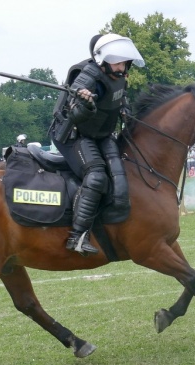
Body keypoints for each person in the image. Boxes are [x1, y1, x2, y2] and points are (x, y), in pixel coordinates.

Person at [49, 33, 145, 255]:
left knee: (120, 174)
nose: (122, 66)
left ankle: (113, 223)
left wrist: (126, 112)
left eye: (124, 62)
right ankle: (77, 237)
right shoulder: (87, 77)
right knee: (96, 175)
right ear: (104, 60)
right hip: (75, 134)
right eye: (118, 62)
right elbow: (74, 113)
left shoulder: (118, 75)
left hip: (101, 133)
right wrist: (85, 102)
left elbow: (120, 99)